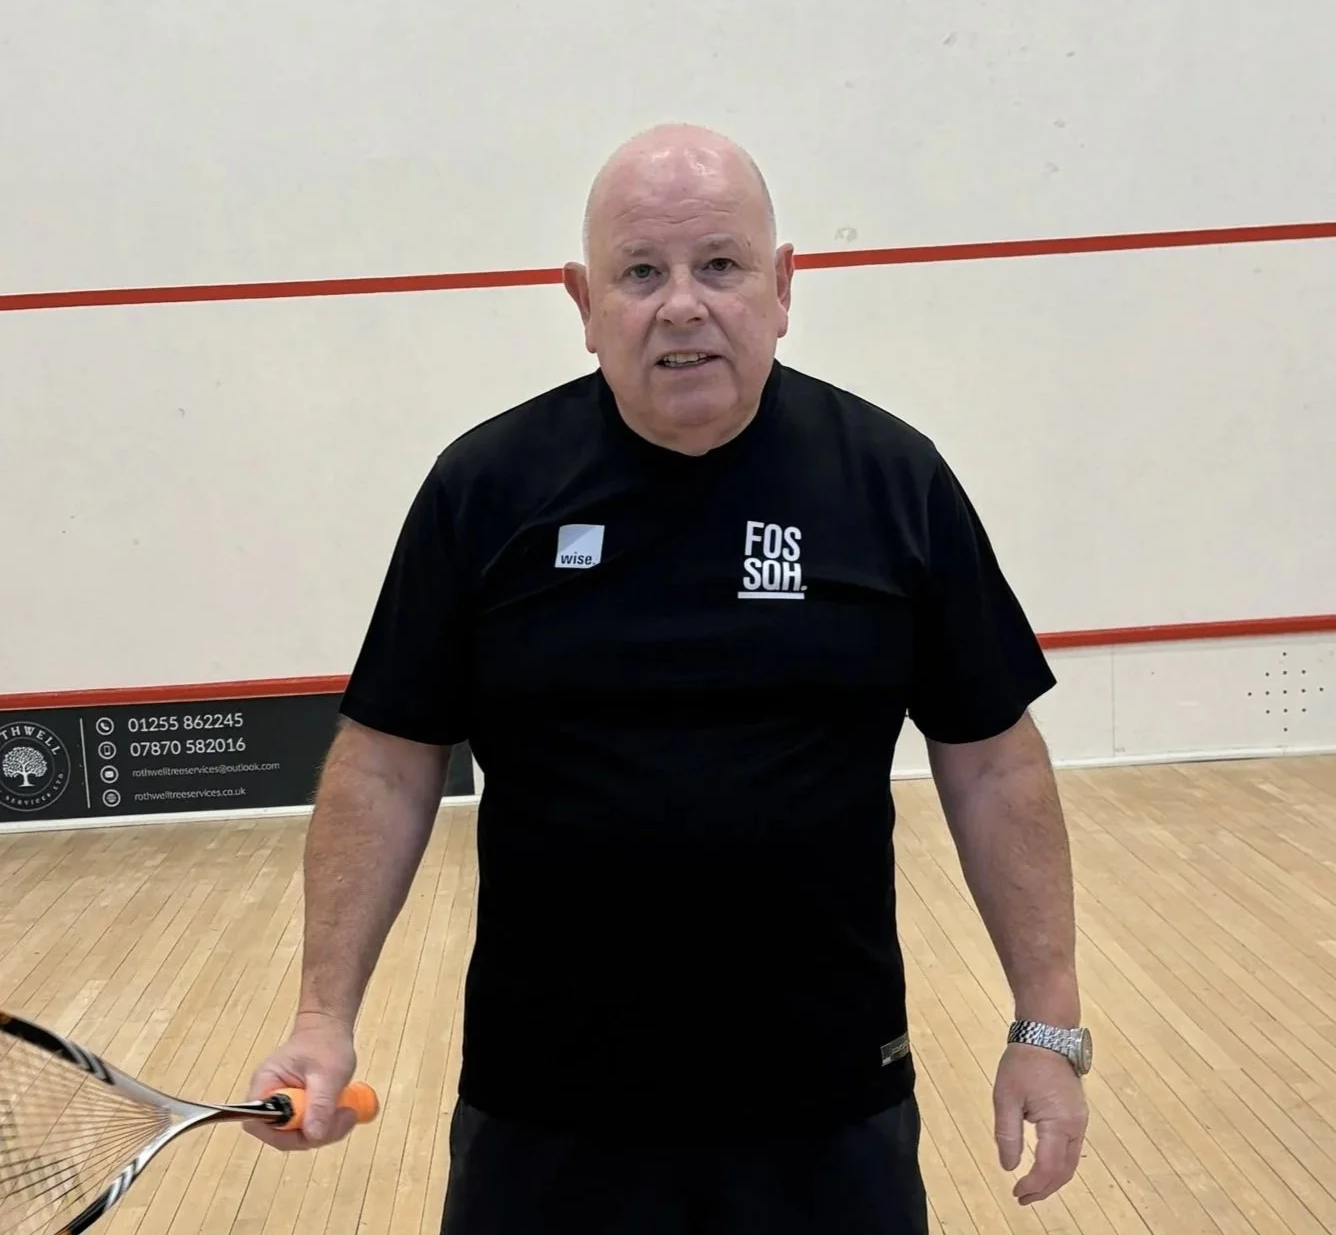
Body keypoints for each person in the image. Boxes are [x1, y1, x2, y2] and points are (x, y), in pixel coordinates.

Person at [244, 123, 1091, 1233]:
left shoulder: (892, 482)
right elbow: (388, 763)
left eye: (721, 266)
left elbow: (990, 759)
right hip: (545, 1109)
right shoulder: (485, 489)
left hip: (827, 1101)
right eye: (641, 272)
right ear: (582, 301)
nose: (682, 304)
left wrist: (1048, 1025)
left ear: (783, 287)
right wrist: (323, 1016)